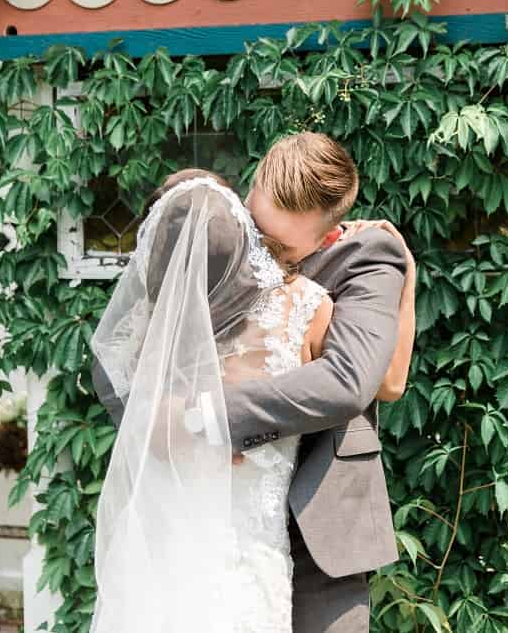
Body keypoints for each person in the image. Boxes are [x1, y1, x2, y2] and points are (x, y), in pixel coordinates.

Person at [92, 134, 416, 632]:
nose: (259, 250)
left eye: (280, 245)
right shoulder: (224, 235)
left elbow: (357, 380)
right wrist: (160, 425)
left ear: (327, 239)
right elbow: (138, 347)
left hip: (320, 529)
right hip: (210, 526)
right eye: (256, 225)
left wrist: (210, 417)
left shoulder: (366, 254)